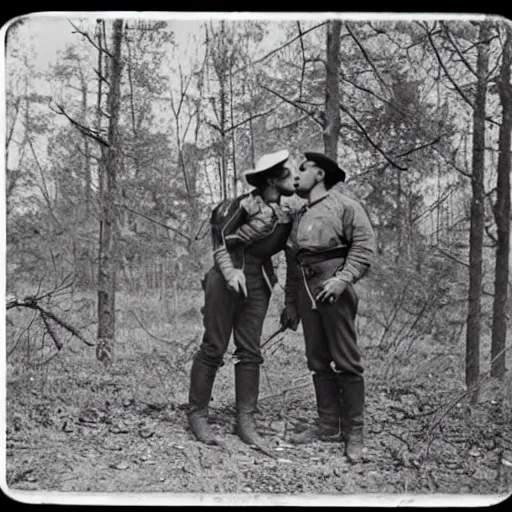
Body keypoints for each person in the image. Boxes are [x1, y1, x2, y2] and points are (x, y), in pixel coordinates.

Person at [187, 149, 298, 447]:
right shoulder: (236, 206)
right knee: (214, 346)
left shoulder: (289, 215)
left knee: (249, 351)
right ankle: (197, 415)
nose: (295, 177)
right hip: (224, 281)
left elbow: (293, 258)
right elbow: (220, 241)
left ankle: (245, 421)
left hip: (258, 283)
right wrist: (230, 272)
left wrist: (291, 303)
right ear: (273, 180)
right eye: (289, 173)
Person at [282, 151, 376, 463]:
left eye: (303, 169)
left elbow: (364, 247)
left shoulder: (345, 206)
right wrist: (291, 304)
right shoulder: (298, 215)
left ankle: (354, 433)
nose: (296, 175)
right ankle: (328, 425)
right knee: (317, 360)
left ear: (320, 175)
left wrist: (342, 279)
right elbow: (293, 262)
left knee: (346, 361)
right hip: (307, 293)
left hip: (334, 289)